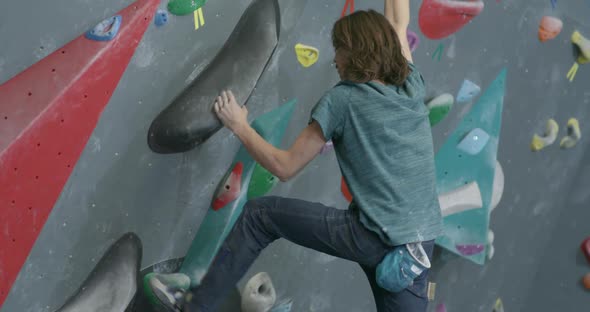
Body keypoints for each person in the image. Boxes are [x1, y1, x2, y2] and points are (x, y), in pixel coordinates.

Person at [171, 1, 442, 311]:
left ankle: (196, 305)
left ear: (354, 52)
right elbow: (397, 22)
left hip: (371, 234)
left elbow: (284, 167)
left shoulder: (343, 100)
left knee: (260, 216)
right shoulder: (409, 83)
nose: (335, 59)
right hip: (417, 246)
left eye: (338, 49)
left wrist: (239, 125)